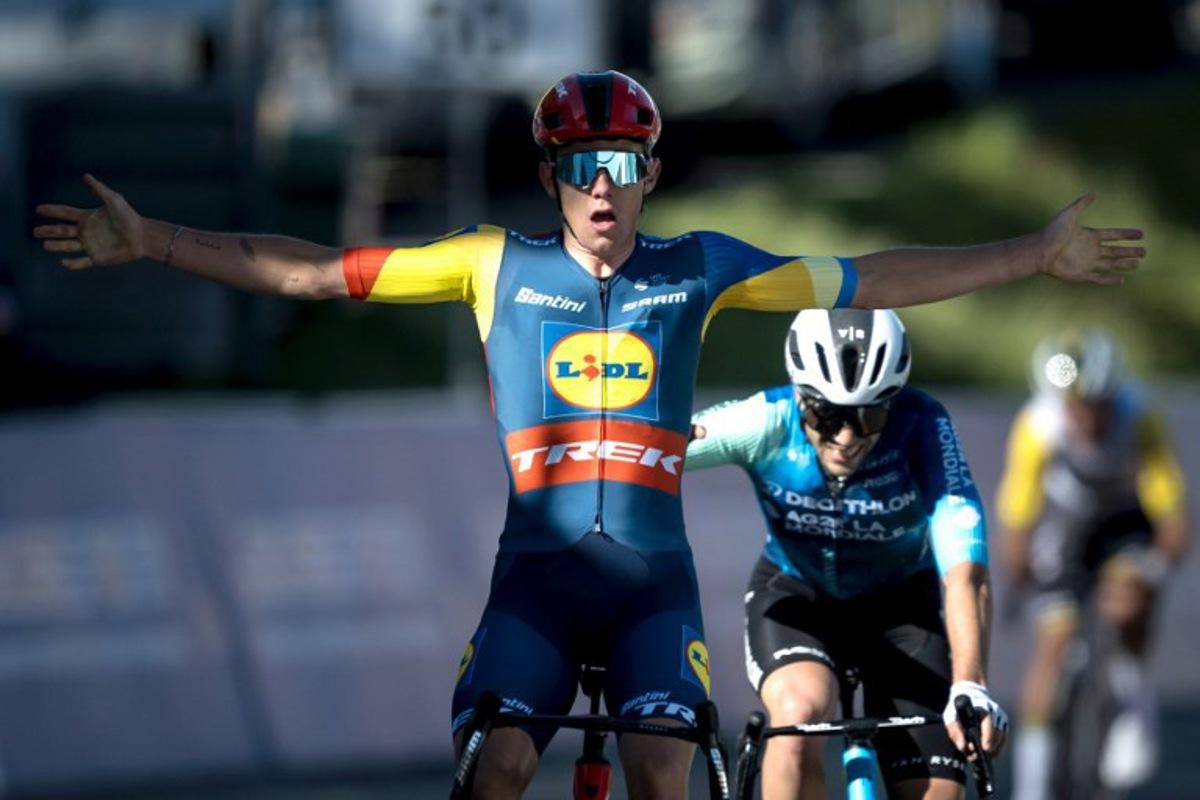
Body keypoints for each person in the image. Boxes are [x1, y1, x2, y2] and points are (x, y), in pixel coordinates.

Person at [33, 69, 1141, 799]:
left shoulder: (699, 267)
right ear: (551, 176)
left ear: (652, 173)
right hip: (538, 585)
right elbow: (315, 271)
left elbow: (872, 278)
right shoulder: (487, 265)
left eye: (623, 164)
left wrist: (1027, 257)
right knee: (501, 765)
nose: (603, 188)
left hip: (653, 587)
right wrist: (156, 241)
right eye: (580, 165)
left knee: (668, 768)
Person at [687, 308, 1005, 800]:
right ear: (799, 396)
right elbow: (655, 447)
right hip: (798, 599)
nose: (847, 437)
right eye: (827, 414)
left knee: (938, 793)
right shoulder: (765, 420)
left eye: (869, 414)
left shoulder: (921, 425)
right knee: (796, 717)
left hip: (902, 612)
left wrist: (972, 683)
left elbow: (965, 572)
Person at [997, 330, 1190, 800]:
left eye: (1097, 407)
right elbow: (1018, 521)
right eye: (1076, 409)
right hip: (1067, 527)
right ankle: (1031, 786)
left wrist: (1152, 578)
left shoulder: (1140, 415)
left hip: (1127, 522)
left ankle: (1134, 700)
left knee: (1127, 600)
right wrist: (1021, 583)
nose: (1087, 420)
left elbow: (1174, 521)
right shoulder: (1037, 425)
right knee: (1053, 642)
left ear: (1114, 397)